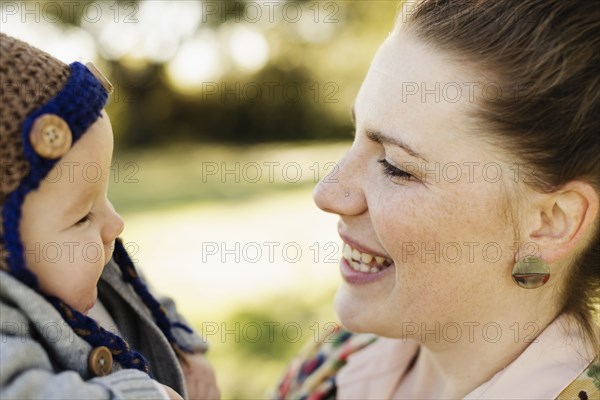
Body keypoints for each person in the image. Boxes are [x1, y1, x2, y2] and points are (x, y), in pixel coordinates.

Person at [274, 1, 599, 399]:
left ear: (550, 222)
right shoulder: (340, 356)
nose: (327, 194)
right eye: (355, 134)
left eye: (396, 167)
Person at [0, 33, 219, 399]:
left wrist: (185, 347)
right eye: (83, 216)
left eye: (103, 198)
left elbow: (143, 297)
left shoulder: (93, 265)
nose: (115, 225)